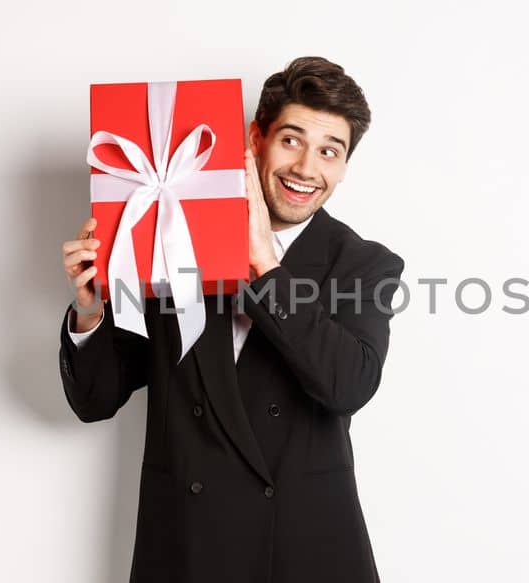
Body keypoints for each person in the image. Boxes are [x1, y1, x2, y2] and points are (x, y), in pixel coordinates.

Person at [57, 56, 404, 583]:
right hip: (188, 550)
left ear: (344, 165)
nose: (307, 168)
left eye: (329, 151)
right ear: (255, 139)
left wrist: (267, 265)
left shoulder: (363, 263)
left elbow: (349, 384)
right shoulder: (169, 241)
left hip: (303, 551)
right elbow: (95, 400)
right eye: (291, 140)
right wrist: (90, 307)